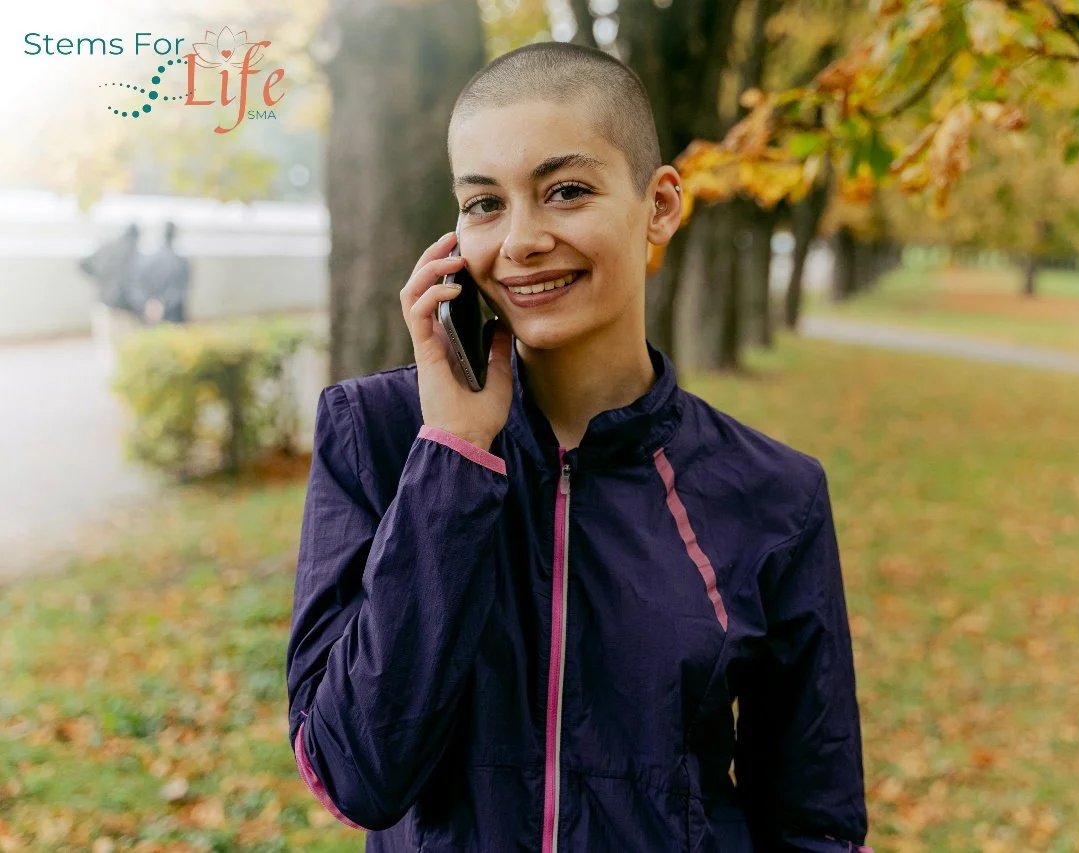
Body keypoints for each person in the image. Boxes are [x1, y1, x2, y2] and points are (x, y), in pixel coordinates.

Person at [285, 42, 870, 853]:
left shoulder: (774, 494)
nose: (520, 240)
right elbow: (358, 774)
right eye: (484, 203)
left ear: (660, 204)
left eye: (565, 191)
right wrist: (453, 453)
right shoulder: (378, 437)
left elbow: (814, 822)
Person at [134, 221, 192, 325]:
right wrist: (161, 303)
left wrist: (149, 303)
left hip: (151, 310)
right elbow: (181, 288)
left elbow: (136, 283)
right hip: (171, 312)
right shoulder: (180, 261)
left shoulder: (147, 259)